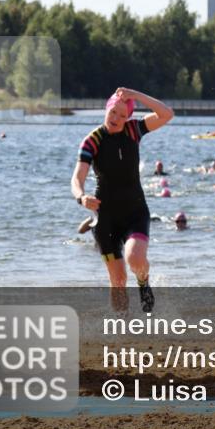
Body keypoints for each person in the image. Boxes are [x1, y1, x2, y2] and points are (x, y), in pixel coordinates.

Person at [71, 88, 174, 313]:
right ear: (106, 109)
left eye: (122, 115)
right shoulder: (92, 141)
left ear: (128, 117)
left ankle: (143, 282)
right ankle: (122, 326)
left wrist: (136, 95)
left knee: (135, 258)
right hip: (105, 219)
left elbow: (167, 114)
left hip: (135, 212)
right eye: (113, 112)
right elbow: (77, 178)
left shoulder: (133, 130)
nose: (116, 118)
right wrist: (81, 197)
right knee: (117, 280)